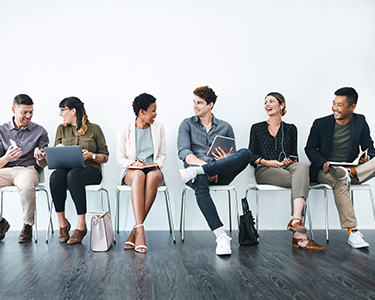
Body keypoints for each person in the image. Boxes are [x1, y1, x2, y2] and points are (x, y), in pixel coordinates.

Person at [178, 86, 251, 256]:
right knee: (200, 180)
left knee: (246, 153)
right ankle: (221, 236)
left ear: (210, 105)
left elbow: (232, 158)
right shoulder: (186, 124)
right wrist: (205, 167)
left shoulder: (225, 127)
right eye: (194, 102)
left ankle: (202, 170)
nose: (195, 106)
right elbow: (184, 154)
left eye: (200, 103)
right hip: (195, 172)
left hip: (219, 172)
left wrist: (224, 160)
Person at [248, 92, 325, 251]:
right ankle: (298, 235)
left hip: (286, 168)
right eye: (265, 102)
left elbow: (294, 155)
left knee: (303, 166)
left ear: (281, 105)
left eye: (271, 101)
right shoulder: (257, 128)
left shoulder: (290, 129)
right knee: (301, 180)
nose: (267, 105)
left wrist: (289, 161)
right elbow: (251, 155)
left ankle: (296, 219)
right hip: (265, 170)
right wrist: (267, 162)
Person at [305, 87, 375, 249]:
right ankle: (353, 232)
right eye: (334, 103)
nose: (334, 107)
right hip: (327, 170)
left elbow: (370, 147)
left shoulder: (360, 121)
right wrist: (322, 162)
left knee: (347, 174)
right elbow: (310, 148)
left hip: (353, 169)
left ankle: (351, 171)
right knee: (341, 178)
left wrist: (367, 157)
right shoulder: (321, 123)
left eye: (340, 104)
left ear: (352, 107)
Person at [49, 97, 109, 244]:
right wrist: (58, 149)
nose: (60, 114)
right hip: (67, 170)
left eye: (62, 110)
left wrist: (91, 155)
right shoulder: (61, 129)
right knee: (56, 177)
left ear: (73, 111)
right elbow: (56, 154)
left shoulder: (95, 129)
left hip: (91, 171)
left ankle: (81, 226)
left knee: (74, 175)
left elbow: (105, 156)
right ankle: (63, 224)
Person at [116, 93, 166, 254]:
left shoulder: (159, 128)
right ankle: (140, 233)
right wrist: (133, 164)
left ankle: (135, 231)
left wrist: (155, 164)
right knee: (139, 175)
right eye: (153, 110)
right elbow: (120, 157)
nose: (156, 114)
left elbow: (162, 154)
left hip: (152, 171)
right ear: (142, 112)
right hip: (132, 172)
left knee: (151, 175)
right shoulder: (126, 129)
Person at [0, 94, 49, 243]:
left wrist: (40, 157)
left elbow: (45, 163)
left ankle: (27, 225)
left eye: (31, 112)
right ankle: (1, 223)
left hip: (28, 169)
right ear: (13, 110)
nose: (28, 116)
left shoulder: (40, 131)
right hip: (5, 168)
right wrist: (6, 158)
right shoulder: (2, 131)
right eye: (24, 112)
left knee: (26, 185)